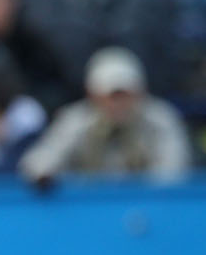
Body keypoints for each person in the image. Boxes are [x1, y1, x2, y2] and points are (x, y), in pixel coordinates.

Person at [18, 46, 193, 189]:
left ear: (140, 93)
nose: (118, 104)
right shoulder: (77, 120)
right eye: (111, 96)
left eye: (125, 95)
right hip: (88, 216)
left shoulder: (161, 119)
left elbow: (172, 176)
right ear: (93, 96)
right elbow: (37, 164)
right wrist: (49, 176)